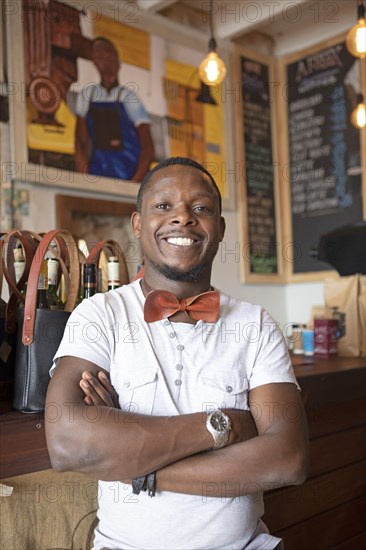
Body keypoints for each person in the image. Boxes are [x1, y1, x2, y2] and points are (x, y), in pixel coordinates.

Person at [45, 157, 309, 550]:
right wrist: (224, 426)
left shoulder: (256, 324)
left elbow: (288, 459)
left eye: (200, 208)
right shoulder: (99, 314)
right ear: (138, 224)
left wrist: (135, 465)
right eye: (163, 206)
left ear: (219, 229)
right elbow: (67, 443)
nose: (182, 218)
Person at [74, 36, 154, 181]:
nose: (106, 63)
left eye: (109, 56)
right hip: (98, 172)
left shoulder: (130, 97)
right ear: (94, 62)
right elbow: (80, 141)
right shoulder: (87, 95)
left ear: (118, 61)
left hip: (129, 172)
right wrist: (85, 177)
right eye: (100, 57)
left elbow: (147, 147)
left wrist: (135, 180)